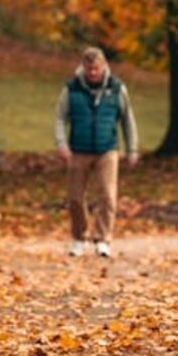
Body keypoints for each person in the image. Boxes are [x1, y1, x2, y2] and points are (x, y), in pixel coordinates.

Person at [54, 47, 138, 257]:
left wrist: (132, 148)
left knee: (108, 196)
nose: (93, 73)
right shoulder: (71, 88)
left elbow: (128, 119)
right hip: (78, 150)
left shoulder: (117, 88)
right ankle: (79, 237)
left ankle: (103, 239)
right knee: (74, 198)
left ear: (103, 67)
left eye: (96, 69)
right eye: (89, 69)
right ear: (83, 67)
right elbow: (59, 118)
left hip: (107, 149)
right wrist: (61, 143)